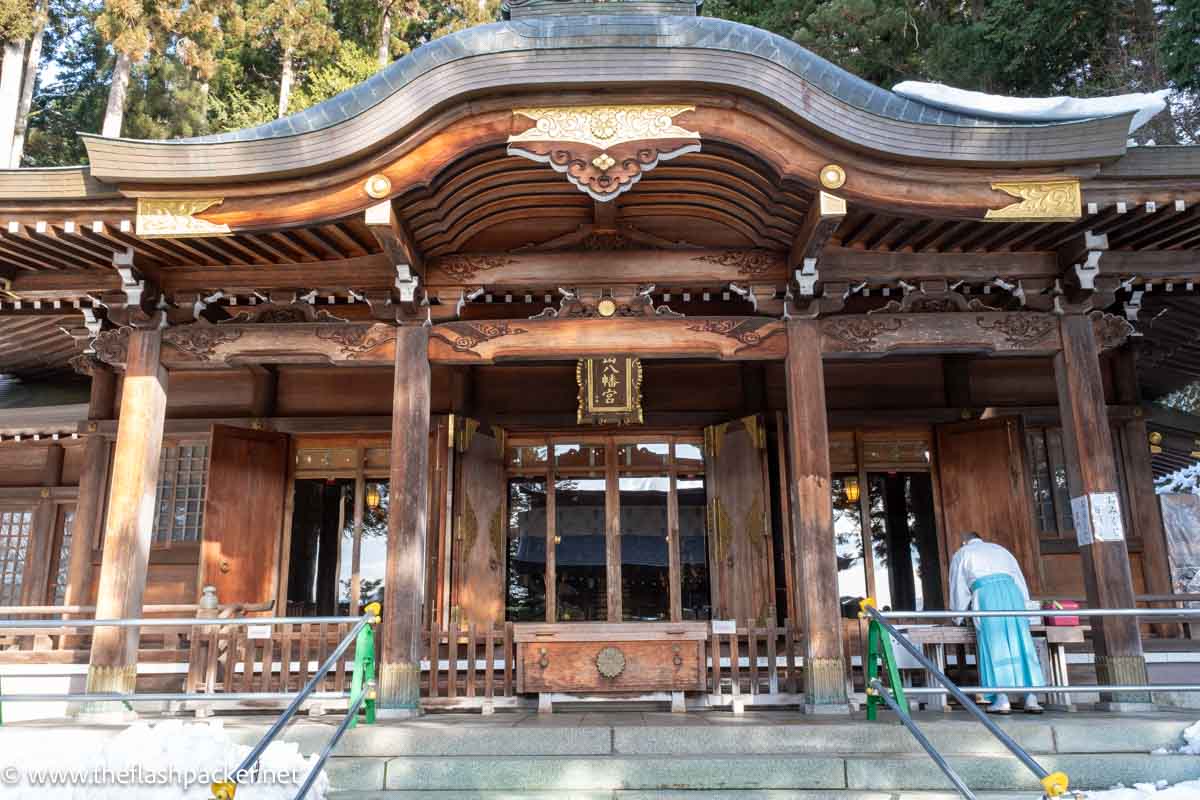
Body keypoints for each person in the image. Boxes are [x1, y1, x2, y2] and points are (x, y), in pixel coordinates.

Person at [949, 531, 1045, 714]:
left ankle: (1002, 699)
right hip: (1012, 594)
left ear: (964, 542)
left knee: (993, 645)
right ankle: (1031, 697)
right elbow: (1018, 578)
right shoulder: (1001, 550)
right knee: (1022, 642)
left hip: (986, 595)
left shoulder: (963, 553)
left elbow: (958, 586)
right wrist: (1027, 607)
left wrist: (958, 615)